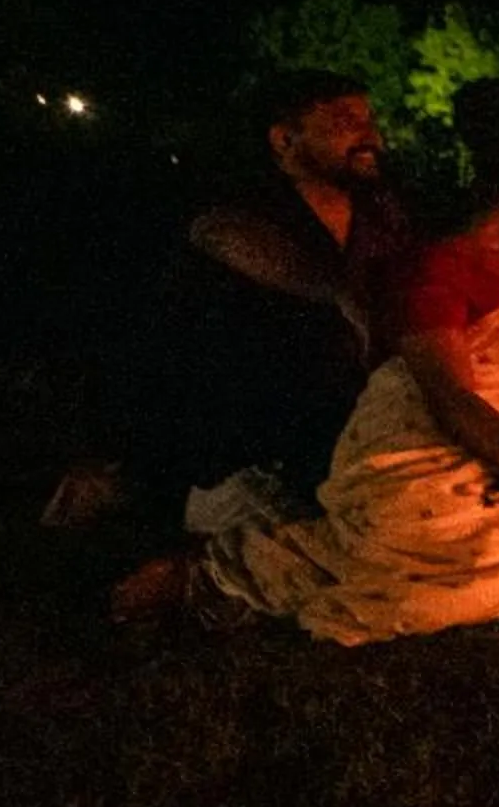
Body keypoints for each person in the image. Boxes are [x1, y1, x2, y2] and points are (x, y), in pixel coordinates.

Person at [114, 86, 499, 640]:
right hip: (425, 455)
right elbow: (450, 401)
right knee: (468, 557)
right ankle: (221, 574)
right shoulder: (438, 271)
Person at [102, 70, 416, 532]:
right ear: (285, 139)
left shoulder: (384, 211)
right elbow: (217, 233)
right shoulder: (242, 205)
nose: (371, 135)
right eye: (347, 121)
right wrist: (339, 292)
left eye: (370, 120)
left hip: (371, 429)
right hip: (263, 449)